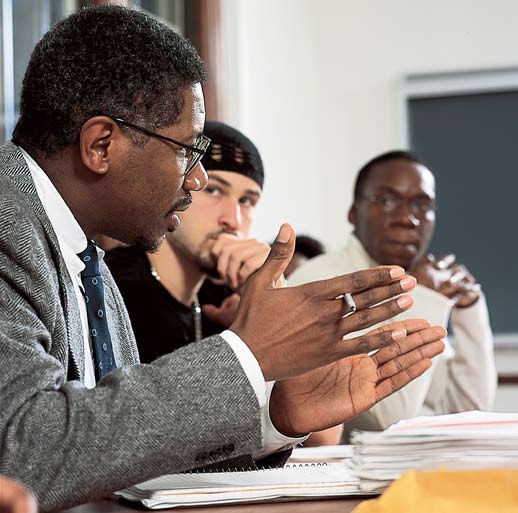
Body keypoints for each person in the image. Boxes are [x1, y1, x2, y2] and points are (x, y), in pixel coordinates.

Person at [0, 6, 446, 511]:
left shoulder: (87, 258)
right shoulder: (7, 226)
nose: (194, 179)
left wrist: (275, 417)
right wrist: (246, 355)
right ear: (101, 144)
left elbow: (109, 452)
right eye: (187, 151)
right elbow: (23, 454)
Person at [289, 150, 496, 444]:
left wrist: (469, 307)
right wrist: (425, 296)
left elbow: (467, 408)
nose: (407, 219)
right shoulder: (319, 281)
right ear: (353, 212)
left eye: (422, 205)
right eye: (387, 201)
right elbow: (387, 422)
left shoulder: (414, 285)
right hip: (346, 480)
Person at [105, 121, 273, 360]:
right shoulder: (115, 287)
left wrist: (264, 304)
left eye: (246, 201)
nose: (233, 221)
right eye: (214, 190)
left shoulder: (227, 299)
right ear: (183, 185)